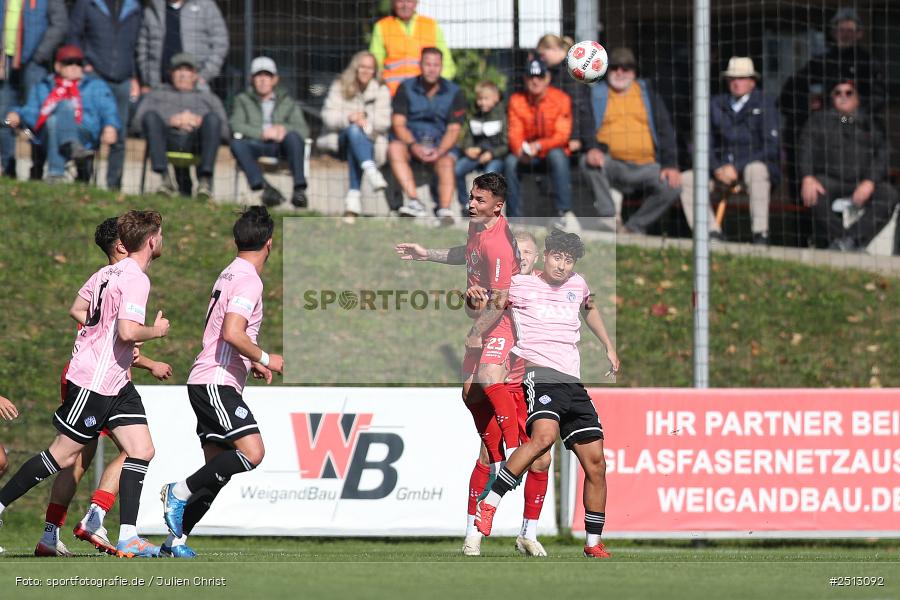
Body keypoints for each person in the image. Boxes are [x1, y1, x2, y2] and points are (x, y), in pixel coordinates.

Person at [0, 210, 169, 558]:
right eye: (161, 235)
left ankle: (128, 535)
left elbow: (79, 308)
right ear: (151, 240)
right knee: (61, 455)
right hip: (94, 383)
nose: (162, 240)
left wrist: (99, 331)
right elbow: (127, 331)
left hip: (117, 383)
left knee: (141, 449)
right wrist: (156, 331)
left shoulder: (107, 272)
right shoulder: (136, 278)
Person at [395, 172, 525, 554]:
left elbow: (501, 298)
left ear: (497, 206)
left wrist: (476, 332)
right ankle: (497, 453)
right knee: (469, 394)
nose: (471, 204)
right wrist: (427, 254)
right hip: (485, 321)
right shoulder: (478, 230)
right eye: (471, 198)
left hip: (503, 325)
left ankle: (513, 447)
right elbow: (465, 255)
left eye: (479, 200)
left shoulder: (500, 241)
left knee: (486, 376)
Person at [474, 229, 620, 560]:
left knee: (596, 464)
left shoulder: (578, 284)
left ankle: (593, 543)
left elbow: (590, 308)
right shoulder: (519, 284)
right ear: (545, 255)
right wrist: (477, 327)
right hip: (540, 375)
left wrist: (608, 346)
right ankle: (491, 502)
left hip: (573, 382)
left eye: (569, 260)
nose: (562, 266)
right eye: (557, 257)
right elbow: (489, 303)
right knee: (543, 439)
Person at [160, 207, 283, 559]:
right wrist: (265, 357)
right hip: (217, 382)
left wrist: (250, 360)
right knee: (252, 453)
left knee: (217, 471)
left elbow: (225, 331)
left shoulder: (229, 272)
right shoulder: (249, 280)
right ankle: (178, 492)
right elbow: (232, 332)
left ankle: (174, 542)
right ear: (269, 244)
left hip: (209, 379)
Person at [462, 229, 552, 558]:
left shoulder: (544, 285)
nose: (523, 257)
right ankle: (472, 534)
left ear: (537, 257)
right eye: (519, 252)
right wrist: (473, 301)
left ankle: (528, 533)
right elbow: (476, 307)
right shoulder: (500, 282)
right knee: (491, 455)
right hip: (498, 379)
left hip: (524, 384)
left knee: (542, 459)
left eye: (529, 252)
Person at [779, 7, 886, 194]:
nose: (844, 34)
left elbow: (880, 97)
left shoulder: (868, 62)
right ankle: (805, 198)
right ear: (833, 33)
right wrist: (811, 106)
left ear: (859, 34)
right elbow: (789, 93)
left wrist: (854, 114)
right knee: (802, 137)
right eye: (840, 30)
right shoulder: (821, 62)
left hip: (855, 123)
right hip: (823, 125)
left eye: (849, 30)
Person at [581, 47, 681, 235]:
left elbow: (665, 128)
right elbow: (585, 124)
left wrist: (670, 164)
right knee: (586, 162)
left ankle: (634, 227)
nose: (620, 72)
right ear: (607, 70)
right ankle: (609, 219)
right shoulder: (596, 93)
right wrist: (592, 148)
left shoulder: (647, 93)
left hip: (647, 167)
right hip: (611, 163)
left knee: (673, 186)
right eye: (615, 67)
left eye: (626, 68)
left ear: (634, 72)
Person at [680, 57, 780, 244]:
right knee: (686, 179)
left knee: (757, 169)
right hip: (719, 172)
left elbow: (771, 147)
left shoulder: (765, 104)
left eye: (742, 78)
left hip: (750, 171)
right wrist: (716, 168)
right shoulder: (715, 104)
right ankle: (711, 234)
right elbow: (702, 142)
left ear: (752, 81)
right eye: (732, 78)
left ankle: (760, 234)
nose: (736, 82)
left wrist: (738, 167)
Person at [798, 78, 898, 251]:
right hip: (830, 180)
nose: (843, 97)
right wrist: (807, 177)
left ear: (857, 98)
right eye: (838, 93)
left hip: (862, 182)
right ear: (831, 98)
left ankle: (850, 239)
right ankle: (846, 240)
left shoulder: (869, 123)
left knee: (889, 194)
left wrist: (870, 181)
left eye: (848, 93)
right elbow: (805, 149)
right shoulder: (820, 120)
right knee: (814, 195)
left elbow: (883, 153)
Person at [5, 44, 119, 183]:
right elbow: (30, 110)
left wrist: (110, 126)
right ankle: (71, 146)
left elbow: (109, 109)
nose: (74, 67)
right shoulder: (43, 86)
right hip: (43, 135)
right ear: (58, 66)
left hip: (84, 131)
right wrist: (15, 114)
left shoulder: (96, 86)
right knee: (56, 116)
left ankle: (56, 174)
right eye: (69, 62)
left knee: (57, 116)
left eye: (78, 63)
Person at [67, 0, 143, 191]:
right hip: (94, 76)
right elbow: (74, 33)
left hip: (123, 79)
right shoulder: (87, 4)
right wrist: (81, 63)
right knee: (90, 129)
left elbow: (138, 44)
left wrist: (135, 75)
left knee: (119, 135)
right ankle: (84, 179)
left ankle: (114, 185)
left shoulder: (134, 7)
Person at [133, 52, 228, 200]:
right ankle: (165, 180)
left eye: (187, 70)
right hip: (167, 140)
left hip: (196, 142)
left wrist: (200, 122)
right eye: (178, 70)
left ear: (195, 75)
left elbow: (225, 132)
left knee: (213, 119)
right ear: (171, 73)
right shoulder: (157, 94)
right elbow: (137, 124)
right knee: (150, 116)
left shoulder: (209, 98)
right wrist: (169, 121)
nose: (183, 74)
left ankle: (205, 181)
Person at [389, 47, 465, 224]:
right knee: (393, 148)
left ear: (441, 67)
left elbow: (454, 129)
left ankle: (445, 210)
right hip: (411, 142)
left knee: (447, 161)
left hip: (440, 145)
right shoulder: (405, 88)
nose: (432, 69)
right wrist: (413, 145)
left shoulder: (454, 92)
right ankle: (415, 202)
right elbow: (398, 124)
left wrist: (439, 151)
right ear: (420, 65)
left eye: (436, 65)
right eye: (428, 64)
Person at [317, 50, 391, 222]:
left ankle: (353, 201)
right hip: (339, 140)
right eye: (362, 67)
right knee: (352, 131)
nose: (366, 71)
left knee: (355, 140)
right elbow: (327, 117)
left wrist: (365, 121)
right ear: (355, 68)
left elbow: (384, 122)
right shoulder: (339, 86)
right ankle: (370, 170)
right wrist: (348, 118)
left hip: (371, 140)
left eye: (370, 68)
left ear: (375, 71)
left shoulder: (381, 89)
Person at [230, 56, 311, 209]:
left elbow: (303, 130)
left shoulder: (288, 101)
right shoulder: (242, 99)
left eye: (267, 75)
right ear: (252, 79)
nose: (263, 80)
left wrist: (283, 129)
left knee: (294, 137)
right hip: (256, 144)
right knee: (237, 144)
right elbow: (236, 124)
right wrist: (261, 133)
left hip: (281, 147)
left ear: (275, 79)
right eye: (258, 75)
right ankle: (264, 188)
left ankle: (299, 190)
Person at [0, 0, 67, 179]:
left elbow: (59, 23)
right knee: (4, 118)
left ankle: (36, 169)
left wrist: (39, 55)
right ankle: (8, 168)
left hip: (35, 64)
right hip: (5, 62)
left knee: (37, 117)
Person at [504, 58, 574, 228]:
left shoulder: (561, 99)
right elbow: (514, 132)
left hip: (550, 154)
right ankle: (514, 219)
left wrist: (540, 145)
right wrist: (521, 151)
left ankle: (562, 213)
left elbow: (562, 136)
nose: (535, 80)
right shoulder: (516, 100)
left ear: (547, 78)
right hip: (528, 155)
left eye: (540, 76)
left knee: (557, 155)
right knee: (511, 161)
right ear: (525, 79)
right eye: (531, 76)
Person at [136, 0, 228, 90]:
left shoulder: (205, 6)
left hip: (195, 88)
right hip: (159, 87)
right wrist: (149, 78)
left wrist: (205, 75)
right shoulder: (153, 9)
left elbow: (220, 44)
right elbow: (142, 47)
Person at [370, 0, 455, 96]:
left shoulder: (431, 25)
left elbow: (446, 62)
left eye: (409, 1)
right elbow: (375, 64)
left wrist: (439, 88)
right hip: (393, 94)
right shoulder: (382, 26)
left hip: (425, 93)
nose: (405, 5)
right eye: (400, 1)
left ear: (416, 2)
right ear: (393, 3)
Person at [536, 34, 594, 157]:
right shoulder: (554, 71)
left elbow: (578, 106)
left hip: (574, 138)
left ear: (555, 48)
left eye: (543, 55)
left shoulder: (570, 72)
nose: (542, 59)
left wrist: (575, 136)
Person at [454, 80, 507, 212]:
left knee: (490, 175)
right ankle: (464, 203)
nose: (482, 102)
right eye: (479, 99)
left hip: (495, 156)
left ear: (496, 98)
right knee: (458, 169)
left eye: (486, 99)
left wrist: (491, 154)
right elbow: (467, 136)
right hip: (476, 155)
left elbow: (506, 144)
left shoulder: (502, 116)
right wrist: (468, 149)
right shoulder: (474, 115)